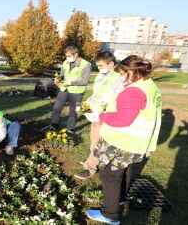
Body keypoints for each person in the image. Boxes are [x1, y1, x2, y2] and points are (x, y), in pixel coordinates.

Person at [84, 55, 162, 224]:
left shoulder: (133, 91)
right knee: (122, 172)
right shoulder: (150, 85)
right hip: (139, 141)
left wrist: (100, 116)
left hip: (124, 140)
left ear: (131, 72)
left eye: (122, 73)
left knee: (109, 175)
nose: (120, 77)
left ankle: (110, 214)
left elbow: (123, 119)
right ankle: (118, 199)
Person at [74, 51, 124, 180]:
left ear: (111, 64)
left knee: (99, 142)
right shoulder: (101, 76)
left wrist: (102, 110)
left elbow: (115, 99)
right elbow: (97, 94)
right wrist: (87, 105)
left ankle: (91, 166)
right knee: (94, 139)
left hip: (106, 115)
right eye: (98, 66)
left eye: (101, 66)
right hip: (96, 115)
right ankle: (91, 159)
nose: (99, 68)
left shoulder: (118, 79)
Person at [49, 46, 91, 133]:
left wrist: (70, 82)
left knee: (73, 111)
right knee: (57, 108)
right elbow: (62, 74)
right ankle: (54, 125)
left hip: (77, 92)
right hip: (64, 89)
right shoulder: (65, 62)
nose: (67, 58)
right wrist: (59, 78)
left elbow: (84, 81)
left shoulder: (86, 65)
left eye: (69, 56)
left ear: (76, 54)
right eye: (66, 56)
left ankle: (70, 129)